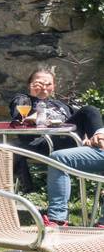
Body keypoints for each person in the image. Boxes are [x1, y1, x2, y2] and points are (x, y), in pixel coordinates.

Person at [7, 67, 104, 195]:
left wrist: (87, 136)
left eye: (48, 84)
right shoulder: (23, 99)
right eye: (39, 83)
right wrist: (33, 95)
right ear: (30, 84)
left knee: (89, 110)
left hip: (66, 140)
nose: (44, 87)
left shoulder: (60, 105)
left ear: (54, 87)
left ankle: (101, 140)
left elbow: (84, 119)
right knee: (89, 111)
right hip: (40, 143)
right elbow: (19, 119)